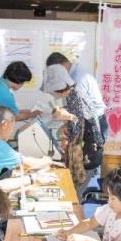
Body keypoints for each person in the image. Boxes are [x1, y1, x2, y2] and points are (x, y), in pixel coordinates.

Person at [43, 64, 103, 199]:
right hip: (88, 146)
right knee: (77, 190)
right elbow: (78, 118)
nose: (56, 94)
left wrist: (67, 117)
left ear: (61, 87)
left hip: (88, 151)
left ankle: (80, 217)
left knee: (76, 194)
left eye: (55, 91)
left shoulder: (75, 94)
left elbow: (79, 124)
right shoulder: (74, 92)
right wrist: (66, 123)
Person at [46, 51, 109, 144]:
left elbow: (79, 116)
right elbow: (77, 107)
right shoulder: (74, 75)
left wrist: (69, 136)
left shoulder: (76, 80)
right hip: (90, 122)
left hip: (92, 125)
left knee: (90, 156)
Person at [0, 106, 52, 181]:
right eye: (12, 127)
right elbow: (29, 163)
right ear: (4, 124)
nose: (11, 132)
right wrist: (47, 160)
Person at [0, 61, 40, 131]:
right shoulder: (6, 94)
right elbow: (15, 116)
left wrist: (27, 112)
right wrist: (32, 115)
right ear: (19, 81)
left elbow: (6, 109)